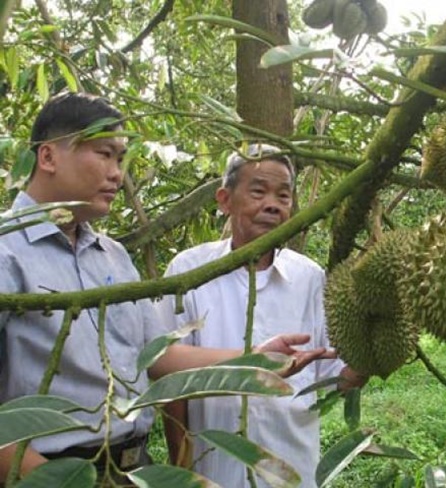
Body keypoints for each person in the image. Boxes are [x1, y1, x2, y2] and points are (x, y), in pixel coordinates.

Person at [0, 93, 330, 486]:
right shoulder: (7, 252)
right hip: (49, 471)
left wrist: (254, 357)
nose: (116, 174)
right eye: (105, 154)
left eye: (121, 160)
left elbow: (154, 355)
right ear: (49, 157)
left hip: (132, 467)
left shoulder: (113, 256)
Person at [159, 143, 367, 487]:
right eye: (258, 192)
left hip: (293, 470)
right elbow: (169, 381)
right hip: (214, 473)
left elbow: (336, 378)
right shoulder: (188, 271)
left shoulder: (310, 277)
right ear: (225, 200)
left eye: (283, 196)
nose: (272, 205)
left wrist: (370, 354)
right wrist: (181, 470)